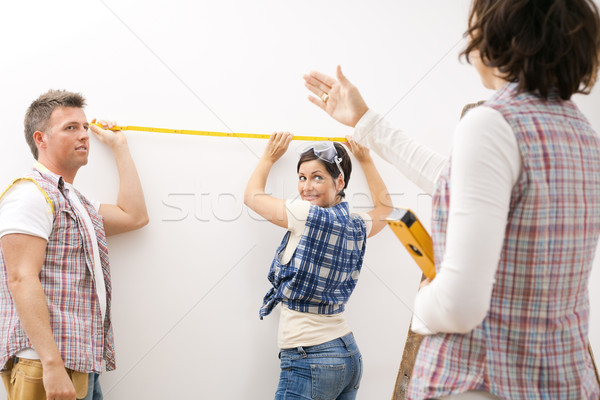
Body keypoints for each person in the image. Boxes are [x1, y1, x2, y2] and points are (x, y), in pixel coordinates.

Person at [303, 0, 600, 398]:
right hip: (563, 380)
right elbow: (455, 178)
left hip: (484, 381)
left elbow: (460, 306)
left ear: (496, 38)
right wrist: (365, 119)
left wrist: (424, 303)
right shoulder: (582, 136)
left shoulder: (493, 123)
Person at [0, 90, 149, 400]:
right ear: (40, 139)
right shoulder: (30, 194)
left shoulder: (74, 200)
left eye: (84, 127)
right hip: (44, 363)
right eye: (71, 127)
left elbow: (133, 216)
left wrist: (119, 147)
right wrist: (51, 364)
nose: (84, 135)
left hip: (80, 363)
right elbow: (20, 278)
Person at [244, 132, 392, 399]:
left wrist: (268, 156)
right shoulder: (357, 224)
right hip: (348, 355)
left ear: (340, 181)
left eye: (317, 177)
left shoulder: (304, 214)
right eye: (302, 177)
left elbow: (252, 196)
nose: (307, 186)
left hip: (309, 357)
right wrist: (366, 160)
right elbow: (385, 209)